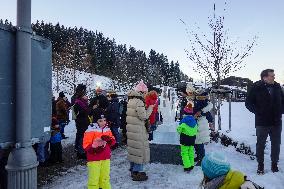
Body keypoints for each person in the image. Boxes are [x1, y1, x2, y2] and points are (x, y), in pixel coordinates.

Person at [245, 69, 284, 174]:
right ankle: (260, 165)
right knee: (260, 145)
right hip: (262, 122)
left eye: (274, 75)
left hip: (276, 122)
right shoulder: (256, 87)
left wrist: (280, 110)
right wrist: (258, 112)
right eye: (272, 76)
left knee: (276, 144)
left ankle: (274, 164)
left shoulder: (277, 87)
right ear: (265, 77)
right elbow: (248, 103)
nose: (274, 77)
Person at [126, 80, 154, 181]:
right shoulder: (139, 101)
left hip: (132, 129)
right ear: (142, 92)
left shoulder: (131, 100)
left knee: (133, 149)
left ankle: (132, 168)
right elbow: (144, 116)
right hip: (138, 130)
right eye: (145, 92)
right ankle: (137, 172)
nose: (146, 94)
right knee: (139, 150)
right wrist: (150, 108)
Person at [83, 108, 116, 189]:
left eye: (104, 120)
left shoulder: (107, 129)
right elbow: (86, 145)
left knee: (105, 178)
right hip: (94, 159)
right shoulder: (90, 130)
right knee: (94, 180)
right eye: (100, 120)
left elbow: (113, 141)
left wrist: (109, 140)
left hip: (106, 158)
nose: (103, 122)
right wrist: (94, 149)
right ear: (95, 121)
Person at [73, 84, 90, 159]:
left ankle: (80, 151)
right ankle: (81, 152)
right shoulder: (79, 102)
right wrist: (88, 108)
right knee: (82, 136)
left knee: (80, 135)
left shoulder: (79, 101)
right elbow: (81, 112)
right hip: (82, 122)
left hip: (82, 121)